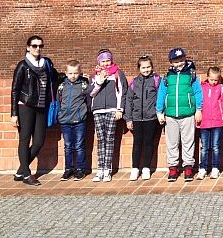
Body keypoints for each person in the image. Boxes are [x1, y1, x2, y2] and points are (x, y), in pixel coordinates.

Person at [10, 35, 58, 186]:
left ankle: (20, 170)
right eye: (35, 46)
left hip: (42, 106)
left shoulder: (47, 63)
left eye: (40, 46)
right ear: (28, 47)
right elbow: (15, 90)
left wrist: (75, 78)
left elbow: (55, 78)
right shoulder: (22, 66)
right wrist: (14, 113)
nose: (38, 48)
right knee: (24, 140)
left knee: (38, 141)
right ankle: (26, 174)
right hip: (25, 106)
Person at [156, 47, 202, 183]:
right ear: (171, 62)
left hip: (187, 113)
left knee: (188, 141)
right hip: (171, 114)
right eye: (176, 61)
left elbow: (198, 92)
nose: (179, 63)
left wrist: (199, 109)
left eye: (181, 60)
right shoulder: (167, 77)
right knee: (172, 142)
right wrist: (159, 111)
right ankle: (173, 167)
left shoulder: (191, 75)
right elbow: (161, 94)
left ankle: (188, 166)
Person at [89, 49, 128, 182]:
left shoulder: (117, 74)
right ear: (99, 62)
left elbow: (123, 92)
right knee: (100, 140)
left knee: (110, 139)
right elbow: (90, 93)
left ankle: (107, 170)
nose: (105, 64)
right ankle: (99, 169)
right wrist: (99, 81)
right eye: (103, 61)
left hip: (112, 110)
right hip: (98, 110)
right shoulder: (94, 75)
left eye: (107, 60)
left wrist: (120, 109)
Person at [124, 55, 160, 181]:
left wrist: (159, 113)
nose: (146, 70)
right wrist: (128, 118)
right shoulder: (134, 82)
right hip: (137, 118)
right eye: (143, 67)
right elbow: (128, 101)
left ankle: (146, 168)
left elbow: (160, 98)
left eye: (148, 67)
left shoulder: (156, 80)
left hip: (151, 118)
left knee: (149, 143)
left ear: (152, 67)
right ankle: (135, 168)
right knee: (137, 143)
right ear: (139, 68)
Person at [57, 59, 90, 181]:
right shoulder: (61, 86)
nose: (73, 76)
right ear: (66, 73)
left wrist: (83, 114)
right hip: (65, 120)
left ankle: (80, 169)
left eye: (75, 73)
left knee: (79, 145)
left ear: (80, 73)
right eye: (70, 73)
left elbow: (88, 100)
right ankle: (68, 168)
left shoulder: (83, 85)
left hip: (79, 121)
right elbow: (59, 102)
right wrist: (61, 114)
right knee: (67, 146)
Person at [197, 66, 223, 180]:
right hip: (204, 122)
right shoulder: (202, 87)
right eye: (211, 79)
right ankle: (203, 168)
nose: (214, 82)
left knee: (216, 146)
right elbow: (198, 102)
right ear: (207, 77)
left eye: (216, 80)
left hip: (217, 122)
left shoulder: (221, 88)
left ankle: (215, 168)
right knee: (204, 147)